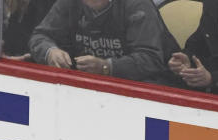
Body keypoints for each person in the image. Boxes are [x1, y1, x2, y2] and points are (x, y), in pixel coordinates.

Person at [28, 0, 168, 81]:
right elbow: (40, 36)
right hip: (82, 86)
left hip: (138, 92)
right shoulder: (70, 3)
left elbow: (151, 59)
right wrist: (50, 51)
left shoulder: (138, 5)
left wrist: (106, 67)